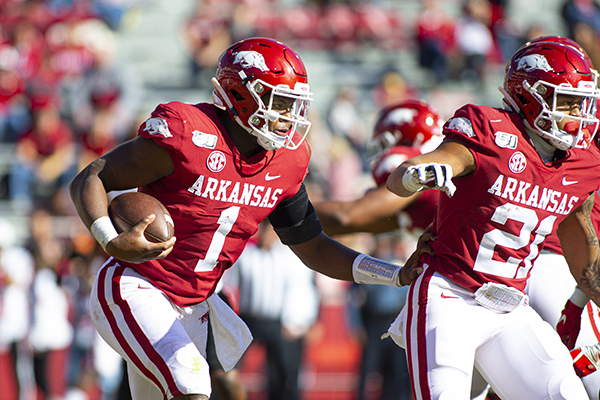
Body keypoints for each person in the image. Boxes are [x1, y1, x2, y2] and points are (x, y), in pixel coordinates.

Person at [68, 37, 425, 400]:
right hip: (137, 286)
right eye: (280, 102)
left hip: (197, 306)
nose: (289, 117)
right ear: (239, 94)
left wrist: (393, 274)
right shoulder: (189, 135)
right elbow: (92, 176)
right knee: (193, 386)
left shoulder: (287, 162)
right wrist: (109, 238)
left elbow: (314, 246)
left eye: (294, 105)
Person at [384, 38, 600, 399]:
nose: (576, 115)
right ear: (529, 96)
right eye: (567, 102)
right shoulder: (490, 131)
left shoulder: (583, 162)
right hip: (450, 295)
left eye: (581, 103)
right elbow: (418, 171)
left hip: (512, 308)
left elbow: (579, 238)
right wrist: (419, 173)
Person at [225, 219, 319, 400]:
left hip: (279, 322)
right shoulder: (247, 256)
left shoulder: (290, 258)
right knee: (230, 363)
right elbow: (230, 286)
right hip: (249, 319)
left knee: (283, 371)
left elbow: (300, 289)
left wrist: (297, 320)